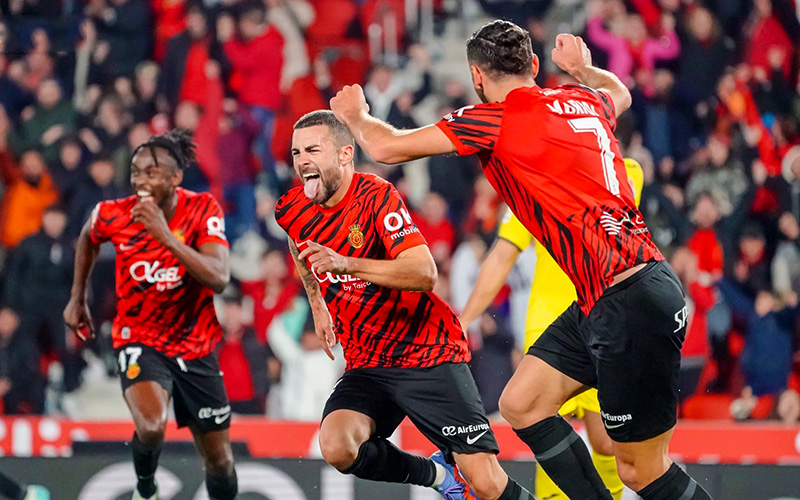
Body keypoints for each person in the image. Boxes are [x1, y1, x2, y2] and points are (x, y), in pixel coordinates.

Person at [329, 20, 712, 500]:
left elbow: (385, 147)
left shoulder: (495, 117)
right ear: (534, 65)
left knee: (641, 472)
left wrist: (357, 115)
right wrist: (584, 69)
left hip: (627, 301)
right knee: (522, 402)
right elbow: (621, 92)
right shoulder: (584, 99)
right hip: (612, 295)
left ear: (477, 77)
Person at [275, 110, 535, 500]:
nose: (302, 161)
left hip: (424, 351)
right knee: (337, 445)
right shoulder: (291, 208)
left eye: (313, 149)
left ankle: (463, 474)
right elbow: (299, 245)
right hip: (368, 361)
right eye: (296, 152)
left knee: (486, 481)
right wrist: (316, 302)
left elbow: (424, 272)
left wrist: (346, 263)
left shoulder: (376, 196)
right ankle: (438, 476)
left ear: (345, 154)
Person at [63, 129, 238, 500]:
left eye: (151, 173)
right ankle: (146, 490)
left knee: (220, 460)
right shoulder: (115, 213)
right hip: (139, 337)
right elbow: (88, 236)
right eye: (136, 172)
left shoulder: (202, 209)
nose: (140, 181)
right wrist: (78, 297)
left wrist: (166, 237)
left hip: (195, 343)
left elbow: (220, 278)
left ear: (175, 178)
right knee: (152, 426)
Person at [460, 158, 644, 500]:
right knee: (545, 430)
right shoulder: (531, 185)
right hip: (549, 328)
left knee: (606, 440)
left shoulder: (622, 170)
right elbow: (502, 255)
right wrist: (464, 319)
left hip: (601, 321)